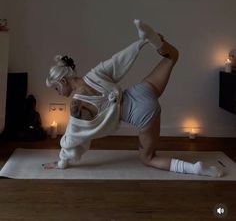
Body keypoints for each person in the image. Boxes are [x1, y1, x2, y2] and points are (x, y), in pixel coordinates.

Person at [43, 19, 223, 178]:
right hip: (141, 91)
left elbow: (72, 136)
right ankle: (155, 40)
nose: (58, 92)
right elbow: (118, 60)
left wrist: (61, 162)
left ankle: (196, 169)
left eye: (57, 88)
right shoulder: (93, 74)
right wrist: (142, 42)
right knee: (172, 57)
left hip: (141, 114)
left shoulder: (76, 104)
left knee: (149, 158)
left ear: (63, 80)